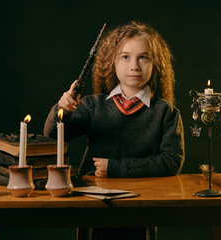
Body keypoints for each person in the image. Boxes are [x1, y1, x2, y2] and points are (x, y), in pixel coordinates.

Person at [43, 21, 184, 240]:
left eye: (143, 57)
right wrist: (62, 109)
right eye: (125, 57)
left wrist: (116, 168)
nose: (134, 66)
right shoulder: (93, 106)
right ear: (112, 62)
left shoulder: (166, 113)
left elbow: (171, 161)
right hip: (93, 206)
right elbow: (53, 136)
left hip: (141, 206)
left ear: (156, 63)